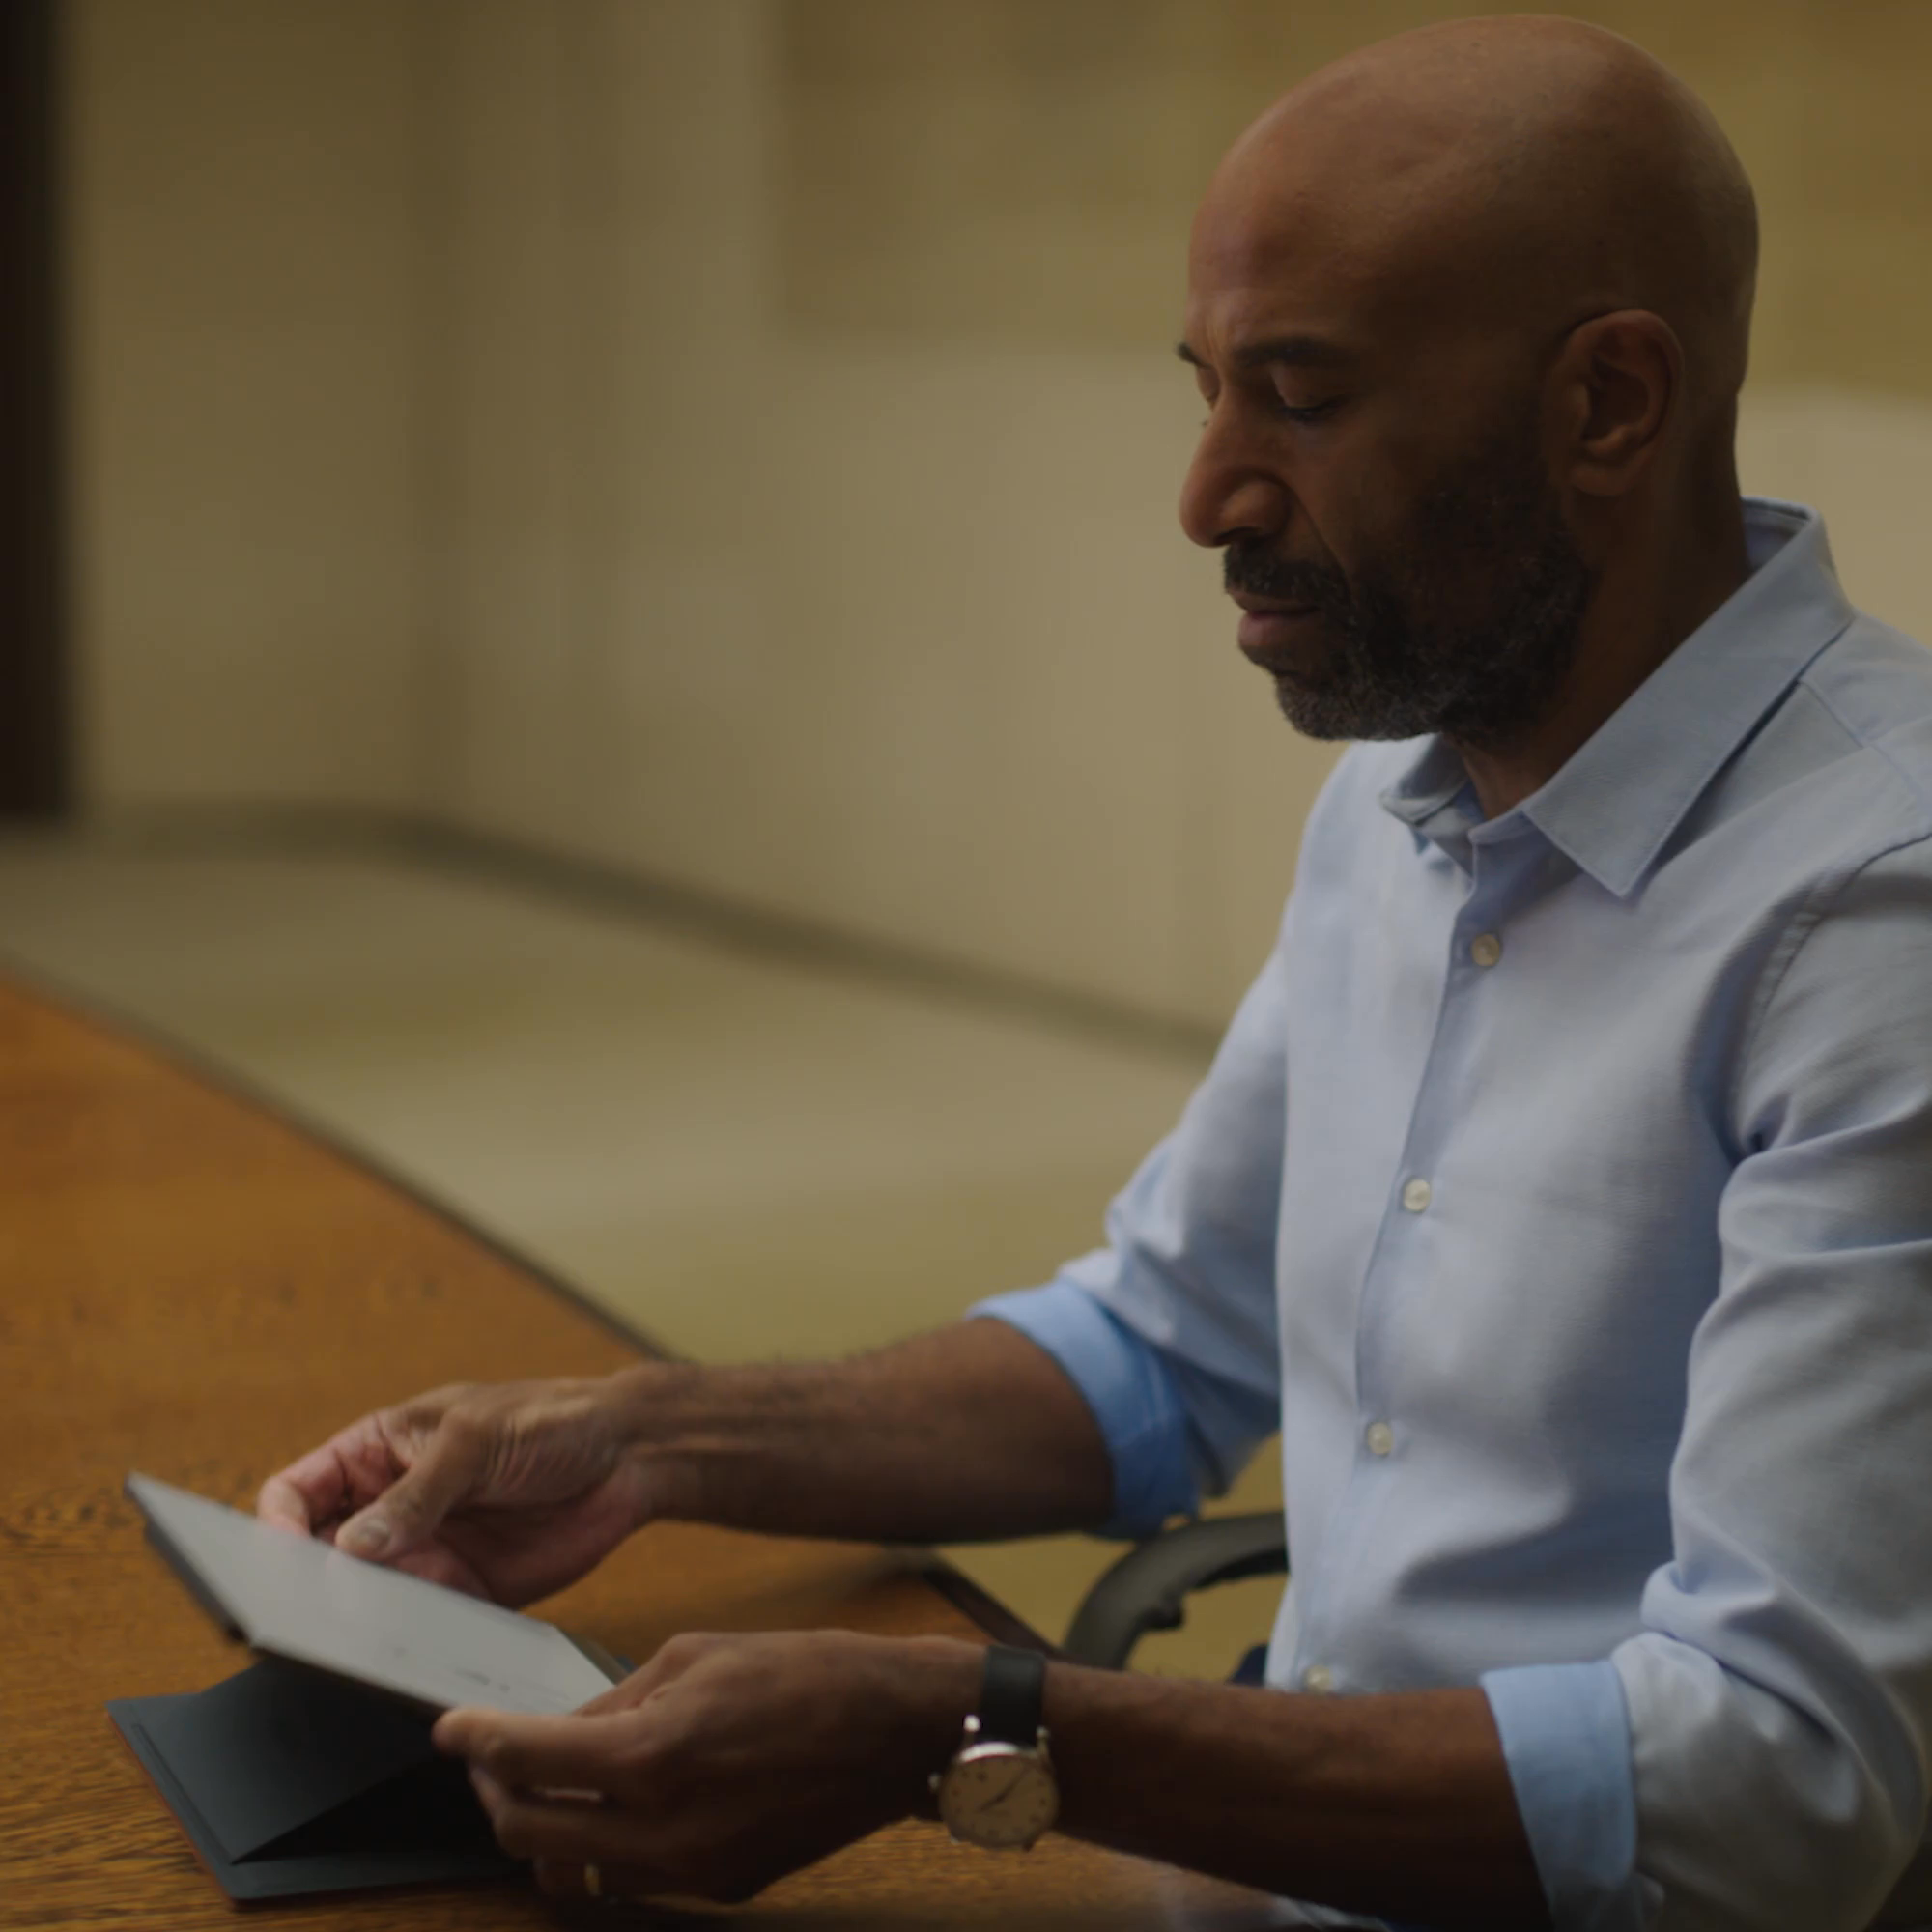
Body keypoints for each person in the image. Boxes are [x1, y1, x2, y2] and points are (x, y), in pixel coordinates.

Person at [258, 15, 1932, 1931]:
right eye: (1207, 389)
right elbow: (1157, 1344)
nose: (1207, 492)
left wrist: (975, 1729)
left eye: (1299, 399)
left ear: (1606, 406)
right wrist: (642, 1439)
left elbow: (1772, 1782)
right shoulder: (1410, 798)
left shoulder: (1879, 912)